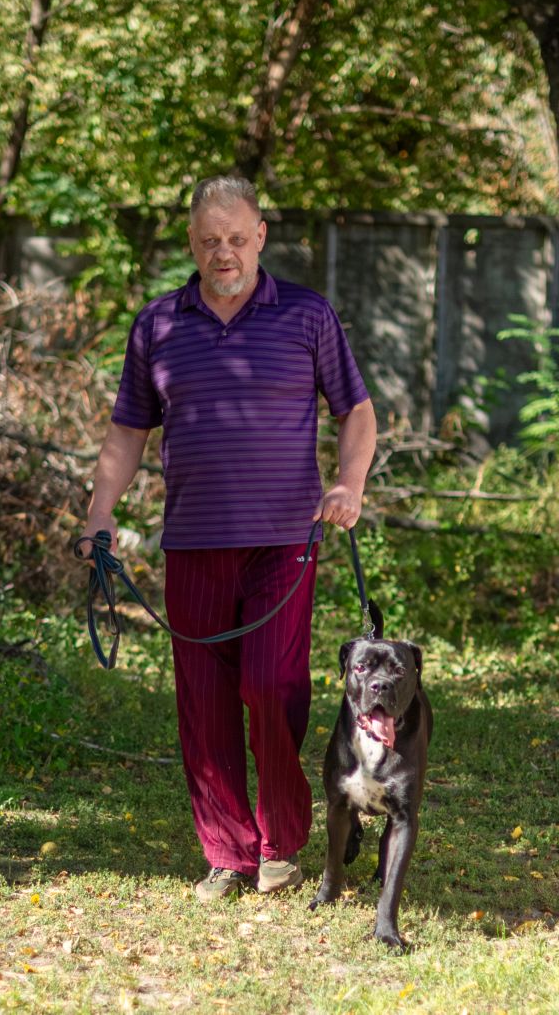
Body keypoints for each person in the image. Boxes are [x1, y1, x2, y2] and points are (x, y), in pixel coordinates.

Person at [79, 175, 376, 902]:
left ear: (261, 236)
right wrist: (99, 512)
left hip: (285, 541)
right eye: (210, 240)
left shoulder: (306, 315)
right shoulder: (157, 324)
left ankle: (281, 839)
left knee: (271, 687)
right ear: (191, 242)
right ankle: (227, 852)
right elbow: (127, 430)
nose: (225, 253)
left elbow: (357, 411)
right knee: (205, 701)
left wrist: (349, 484)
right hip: (193, 542)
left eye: (237, 238)